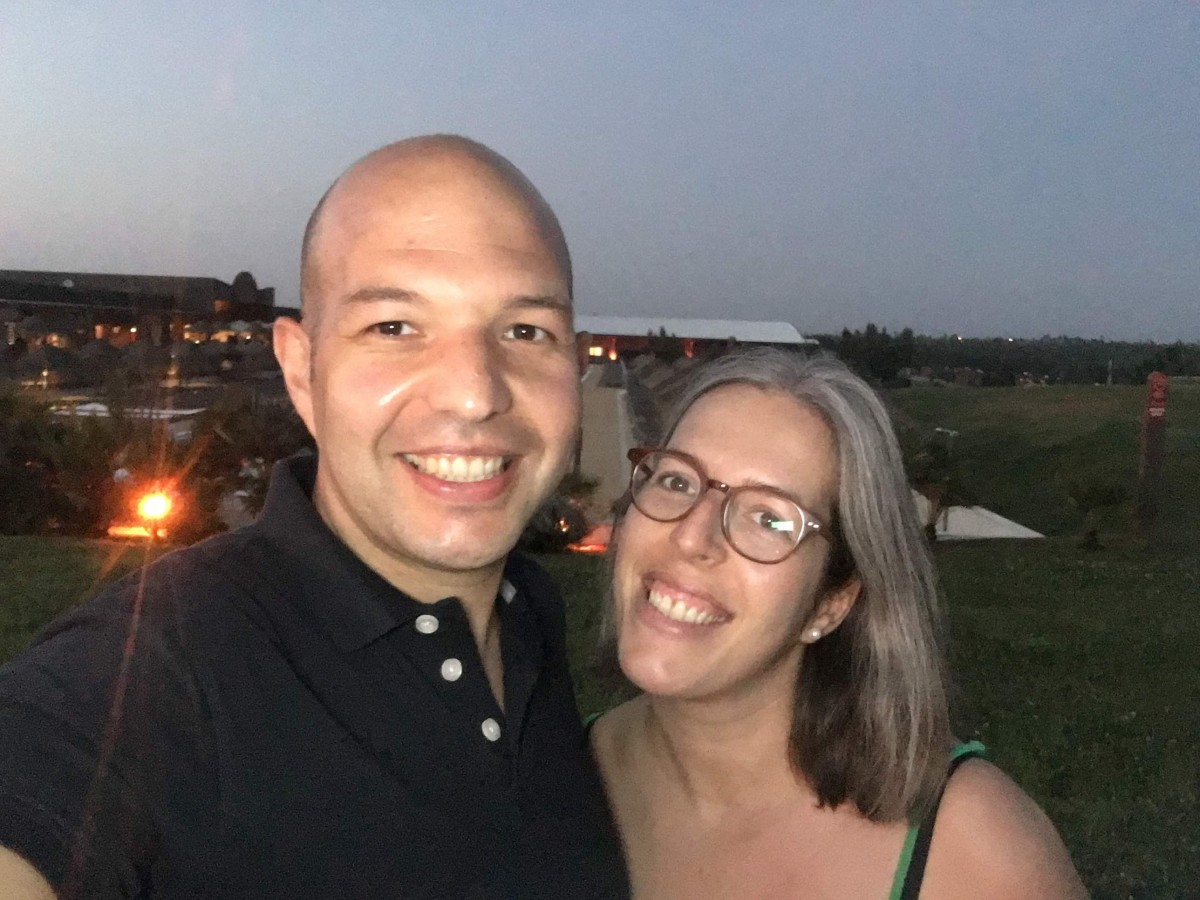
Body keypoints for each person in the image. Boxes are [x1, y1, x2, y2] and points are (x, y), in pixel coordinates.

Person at [0, 136, 629, 899]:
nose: (474, 393)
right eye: (393, 327)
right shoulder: (162, 667)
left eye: (526, 331)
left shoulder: (531, 613)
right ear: (302, 369)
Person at [589, 349, 1087, 899]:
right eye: (678, 481)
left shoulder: (975, 856)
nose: (690, 537)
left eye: (769, 518)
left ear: (832, 601)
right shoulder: (545, 767)